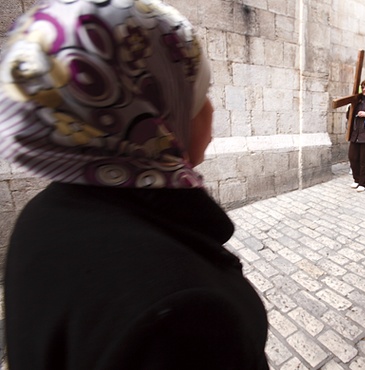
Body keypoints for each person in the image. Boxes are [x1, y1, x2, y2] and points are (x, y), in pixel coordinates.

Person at [0, 1, 269, 369]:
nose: (210, 109)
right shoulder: (183, 312)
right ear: (150, 106)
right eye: (198, 91)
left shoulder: (42, 216)